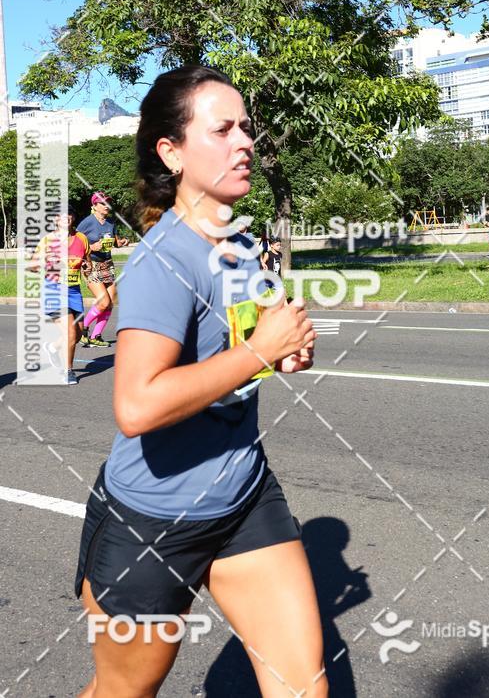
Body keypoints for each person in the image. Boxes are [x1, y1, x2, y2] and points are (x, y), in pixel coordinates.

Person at [75, 66, 325, 698]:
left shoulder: (238, 240)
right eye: (221, 129)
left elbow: (251, 339)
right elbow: (135, 405)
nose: (244, 141)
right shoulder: (164, 259)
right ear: (172, 151)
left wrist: (282, 349)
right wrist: (257, 354)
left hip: (243, 498)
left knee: (304, 689)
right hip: (151, 522)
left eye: (246, 127)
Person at [31, 205, 91, 385]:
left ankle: (52, 348)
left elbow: (86, 262)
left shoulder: (81, 238)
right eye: (61, 215)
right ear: (56, 220)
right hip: (54, 290)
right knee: (70, 333)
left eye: (69, 214)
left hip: (73, 290)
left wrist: (87, 268)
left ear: (73, 218)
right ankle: (68, 371)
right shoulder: (47, 241)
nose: (66, 218)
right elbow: (33, 266)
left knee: (79, 332)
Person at [77, 192, 130, 347]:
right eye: (103, 203)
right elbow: (76, 244)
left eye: (108, 202)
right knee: (103, 302)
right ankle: (82, 329)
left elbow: (115, 243)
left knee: (111, 302)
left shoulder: (110, 223)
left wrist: (122, 242)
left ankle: (96, 336)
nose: (107, 206)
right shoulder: (87, 223)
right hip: (91, 265)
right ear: (94, 206)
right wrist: (92, 247)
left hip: (108, 265)